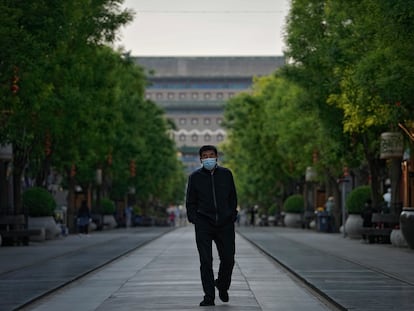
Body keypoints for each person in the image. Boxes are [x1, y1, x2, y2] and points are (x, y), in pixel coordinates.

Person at [186, 145, 238, 307]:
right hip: (204, 224)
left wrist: (231, 215)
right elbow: (190, 201)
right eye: (205, 156)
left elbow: (232, 197)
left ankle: (222, 285)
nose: (208, 158)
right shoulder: (195, 177)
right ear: (200, 159)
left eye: (211, 155)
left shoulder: (226, 174)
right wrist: (195, 219)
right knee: (206, 261)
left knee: (228, 259)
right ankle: (209, 296)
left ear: (216, 157)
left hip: (225, 224)